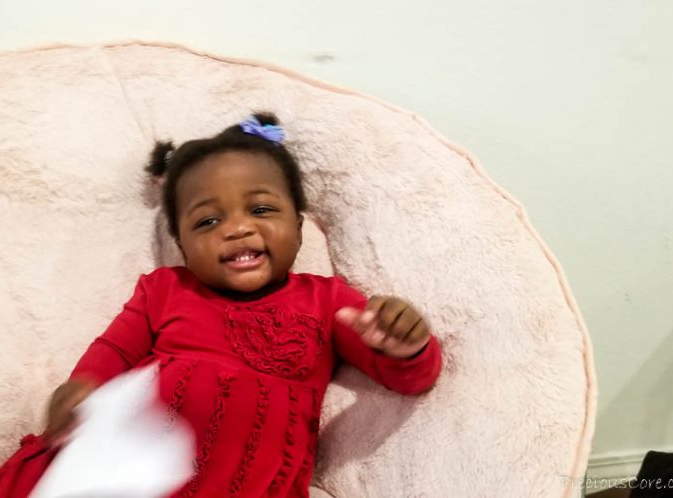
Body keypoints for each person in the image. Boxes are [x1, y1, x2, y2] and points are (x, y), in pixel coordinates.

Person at [44, 112, 443, 498]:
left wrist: (404, 344)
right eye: (207, 222)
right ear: (182, 247)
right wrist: (82, 388)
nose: (237, 228)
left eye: (261, 209)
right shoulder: (164, 289)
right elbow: (114, 349)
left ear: (298, 228)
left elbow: (407, 378)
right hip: (133, 468)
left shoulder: (327, 300)